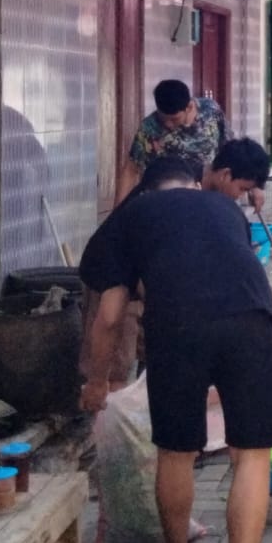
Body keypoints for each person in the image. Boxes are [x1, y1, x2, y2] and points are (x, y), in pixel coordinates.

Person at [79, 137, 272, 543]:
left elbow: (110, 316)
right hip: (252, 318)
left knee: (176, 451)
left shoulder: (131, 216)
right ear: (193, 183)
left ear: (146, 189)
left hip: (177, 325)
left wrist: (96, 381)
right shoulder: (223, 210)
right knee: (252, 455)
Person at [78, 155, 204, 391]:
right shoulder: (122, 237)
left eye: (185, 198)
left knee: (159, 356)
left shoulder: (193, 213)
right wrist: (97, 384)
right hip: (108, 282)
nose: (180, 207)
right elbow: (109, 319)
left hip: (144, 286)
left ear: (197, 188)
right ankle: (107, 420)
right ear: (149, 198)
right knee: (115, 369)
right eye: (171, 201)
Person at [119, 79, 263, 213]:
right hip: (171, 202)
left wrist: (253, 185)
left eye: (174, 119)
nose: (168, 125)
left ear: (189, 106)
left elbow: (232, 151)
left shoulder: (211, 112)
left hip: (213, 196)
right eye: (164, 119)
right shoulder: (149, 128)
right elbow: (131, 169)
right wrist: (118, 213)